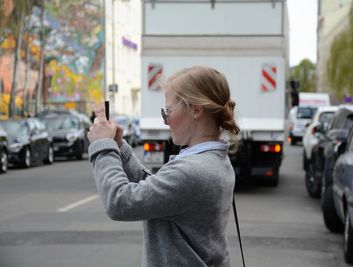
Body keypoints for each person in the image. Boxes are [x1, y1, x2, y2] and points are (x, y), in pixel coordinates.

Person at [87, 65, 240, 267]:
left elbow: (119, 202)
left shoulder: (193, 171)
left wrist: (102, 146)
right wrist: (120, 147)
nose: (166, 121)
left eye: (167, 110)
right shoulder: (213, 160)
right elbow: (157, 192)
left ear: (195, 110)